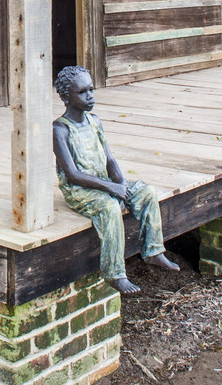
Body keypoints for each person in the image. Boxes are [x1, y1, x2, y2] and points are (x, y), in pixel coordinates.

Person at [52, 65, 178, 294]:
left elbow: (109, 160)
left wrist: (119, 184)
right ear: (66, 97)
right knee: (109, 208)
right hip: (80, 190)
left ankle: (154, 250)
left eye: (91, 89)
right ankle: (114, 273)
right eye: (81, 92)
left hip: (104, 182)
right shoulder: (60, 129)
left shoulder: (95, 121)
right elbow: (73, 174)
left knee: (146, 191)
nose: (89, 96)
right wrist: (112, 190)